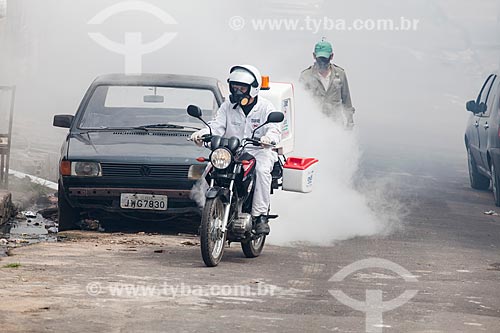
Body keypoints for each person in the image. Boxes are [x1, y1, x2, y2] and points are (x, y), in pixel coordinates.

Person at [190, 65, 282, 235]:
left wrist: (269, 138)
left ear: (253, 88)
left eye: (242, 88)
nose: (238, 92)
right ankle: (208, 213)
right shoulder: (227, 106)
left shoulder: (265, 107)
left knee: (262, 171)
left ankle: (260, 216)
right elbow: (216, 126)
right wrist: (202, 134)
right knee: (207, 173)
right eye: (235, 87)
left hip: (258, 150)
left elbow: (275, 129)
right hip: (231, 152)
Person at [299, 39, 355, 128]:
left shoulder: (340, 74)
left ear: (331, 56)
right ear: (314, 56)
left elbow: (347, 101)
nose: (322, 62)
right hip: (313, 124)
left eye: (325, 59)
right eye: (320, 59)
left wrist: (350, 122)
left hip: (336, 124)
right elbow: (300, 104)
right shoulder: (306, 76)